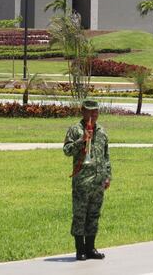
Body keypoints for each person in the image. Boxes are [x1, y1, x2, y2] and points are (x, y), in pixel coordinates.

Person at [63, 99, 111, 261]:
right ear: (83, 112)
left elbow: (106, 157)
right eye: (90, 111)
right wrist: (81, 140)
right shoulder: (75, 130)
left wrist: (107, 176)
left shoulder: (102, 132)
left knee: (94, 215)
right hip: (82, 182)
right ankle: (80, 249)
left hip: (98, 182)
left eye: (96, 111)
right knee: (80, 215)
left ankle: (91, 248)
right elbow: (67, 150)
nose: (93, 114)